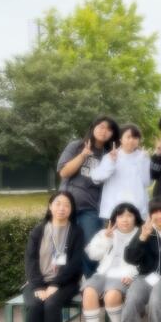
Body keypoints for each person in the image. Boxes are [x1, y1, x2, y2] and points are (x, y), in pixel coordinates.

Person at [23, 191, 84, 322]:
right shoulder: (38, 230)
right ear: (50, 206)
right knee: (34, 305)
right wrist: (38, 285)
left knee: (51, 304)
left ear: (71, 209)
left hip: (65, 283)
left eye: (66, 205)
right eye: (58, 203)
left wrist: (55, 284)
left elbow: (76, 263)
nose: (61, 208)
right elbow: (30, 260)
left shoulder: (76, 231)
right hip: (38, 282)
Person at [56, 115, 120, 276]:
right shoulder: (76, 146)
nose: (104, 131)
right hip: (66, 207)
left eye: (109, 129)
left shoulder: (110, 154)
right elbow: (64, 172)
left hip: (91, 209)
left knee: (92, 249)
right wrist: (83, 155)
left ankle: (90, 283)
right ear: (93, 127)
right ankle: (59, 281)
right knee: (61, 247)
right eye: (101, 126)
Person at [82, 202, 142, 322]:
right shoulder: (106, 233)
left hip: (124, 275)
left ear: (135, 218)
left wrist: (133, 274)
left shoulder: (141, 234)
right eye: (120, 216)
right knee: (88, 292)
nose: (125, 220)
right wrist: (105, 239)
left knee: (111, 296)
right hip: (103, 273)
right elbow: (93, 255)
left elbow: (145, 260)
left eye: (129, 216)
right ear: (114, 219)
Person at [91, 124, 151, 222]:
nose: (131, 140)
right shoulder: (110, 156)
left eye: (135, 137)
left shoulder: (143, 157)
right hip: (113, 210)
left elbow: (146, 182)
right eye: (128, 137)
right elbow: (96, 178)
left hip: (137, 210)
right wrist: (112, 162)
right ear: (121, 139)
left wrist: (142, 162)